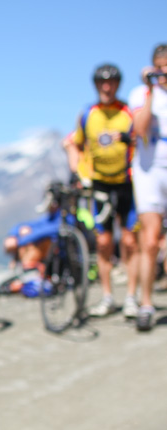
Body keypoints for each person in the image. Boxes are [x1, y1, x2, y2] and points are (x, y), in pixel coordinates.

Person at [63, 63, 139, 319]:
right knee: (105, 243)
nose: (107, 87)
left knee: (129, 240)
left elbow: (143, 141)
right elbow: (74, 144)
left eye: (112, 82)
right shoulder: (88, 114)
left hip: (127, 182)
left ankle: (131, 297)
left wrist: (130, 140)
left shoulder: (128, 112)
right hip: (100, 183)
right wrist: (78, 172)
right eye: (101, 83)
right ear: (96, 85)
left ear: (118, 85)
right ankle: (107, 297)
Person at [128, 44, 167, 331]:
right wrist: (151, 90)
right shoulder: (140, 95)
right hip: (148, 171)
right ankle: (146, 303)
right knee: (150, 241)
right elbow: (140, 129)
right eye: (159, 67)